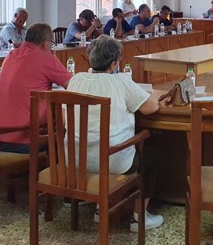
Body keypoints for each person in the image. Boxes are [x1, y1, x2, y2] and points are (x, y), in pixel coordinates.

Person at [66, 35, 163, 231]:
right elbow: (150, 108)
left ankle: (101, 208)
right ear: (114, 64)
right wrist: (155, 95)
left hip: (74, 159)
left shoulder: (75, 80)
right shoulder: (121, 81)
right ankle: (140, 218)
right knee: (150, 157)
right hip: (112, 162)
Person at [0, 23, 71, 153]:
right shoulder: (45, 58)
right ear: (46, 42)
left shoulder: (11, 54)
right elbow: (74, 84)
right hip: (24, 141)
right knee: (67, 136)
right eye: (52, 43)